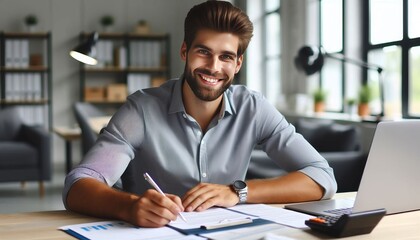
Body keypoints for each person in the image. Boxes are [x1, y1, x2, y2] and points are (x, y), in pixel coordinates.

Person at [63, 0, 337, 228]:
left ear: (238, 63)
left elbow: (322, 176)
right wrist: (130, 206)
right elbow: (78, 185)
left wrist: (238, 193)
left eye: (226, 57)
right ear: (185, 51)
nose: (213, 67)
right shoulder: (142, 109)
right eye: (203, 52)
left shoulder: (253, 108)